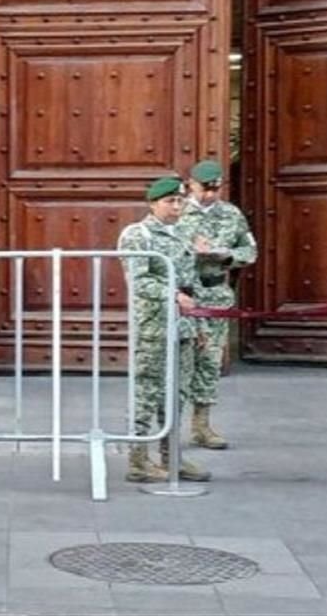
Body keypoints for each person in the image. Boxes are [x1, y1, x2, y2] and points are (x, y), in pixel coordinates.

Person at [117, 176, 211, 484]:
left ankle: (172, 457)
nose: (176, 206)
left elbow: (191, 283)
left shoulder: (182, 234)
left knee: (178, 393)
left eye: (180, 200)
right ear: (153, 203)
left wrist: (198, 324)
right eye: (169, 201)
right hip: (154, 326)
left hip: (182, 325)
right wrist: (172, 294)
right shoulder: (138, 234)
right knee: (147, 391)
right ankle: (138, 458)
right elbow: (139, 279)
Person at [179, 160, 257, 449]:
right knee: (180, 359)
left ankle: (202, 425)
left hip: (215, 296)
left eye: (215, 189)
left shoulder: (231, 214)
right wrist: (191, 251)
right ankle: (169, 424)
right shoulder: (177, 211)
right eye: (204, 189)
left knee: (209, 362)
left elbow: (249, 251)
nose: (210, 195)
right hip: (184, 297)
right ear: (191, 185)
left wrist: (224, 255)